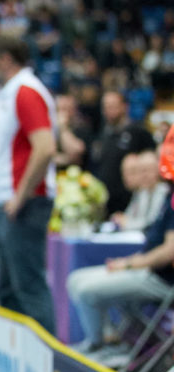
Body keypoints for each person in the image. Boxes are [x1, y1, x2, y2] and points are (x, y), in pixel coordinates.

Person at [0, 35, 58, 335]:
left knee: (29, 288)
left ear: (5, 59)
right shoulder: (7, 93)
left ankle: (49, 367)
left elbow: (45, 147)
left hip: (25, 205)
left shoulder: (26, 92)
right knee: (9, 290)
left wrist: (19, 196)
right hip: (9, 204)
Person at [66, 182, 174, 357]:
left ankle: (99, 345)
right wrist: (129, 262)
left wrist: (129, 265)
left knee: (86, 290)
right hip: (148, 270)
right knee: (75, 279)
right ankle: (112, 341)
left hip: (162, 280)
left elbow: (169, 251)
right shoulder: (169, 196)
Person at [91, 90, 155, 219]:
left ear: (125, 106)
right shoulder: (101, 135)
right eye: (106, 107)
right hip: (106, 202)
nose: (109, 111)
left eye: (113, 106)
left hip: (132, 199)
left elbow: (151, 161)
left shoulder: (138, 132)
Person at [110, 151, 168, 232]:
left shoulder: (165, 193)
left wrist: (126, 223)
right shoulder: (141, 192)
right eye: (140, 171)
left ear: (158, 170)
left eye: (147, 170)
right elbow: (128, 217)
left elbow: (151, 223)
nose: (144, 175)